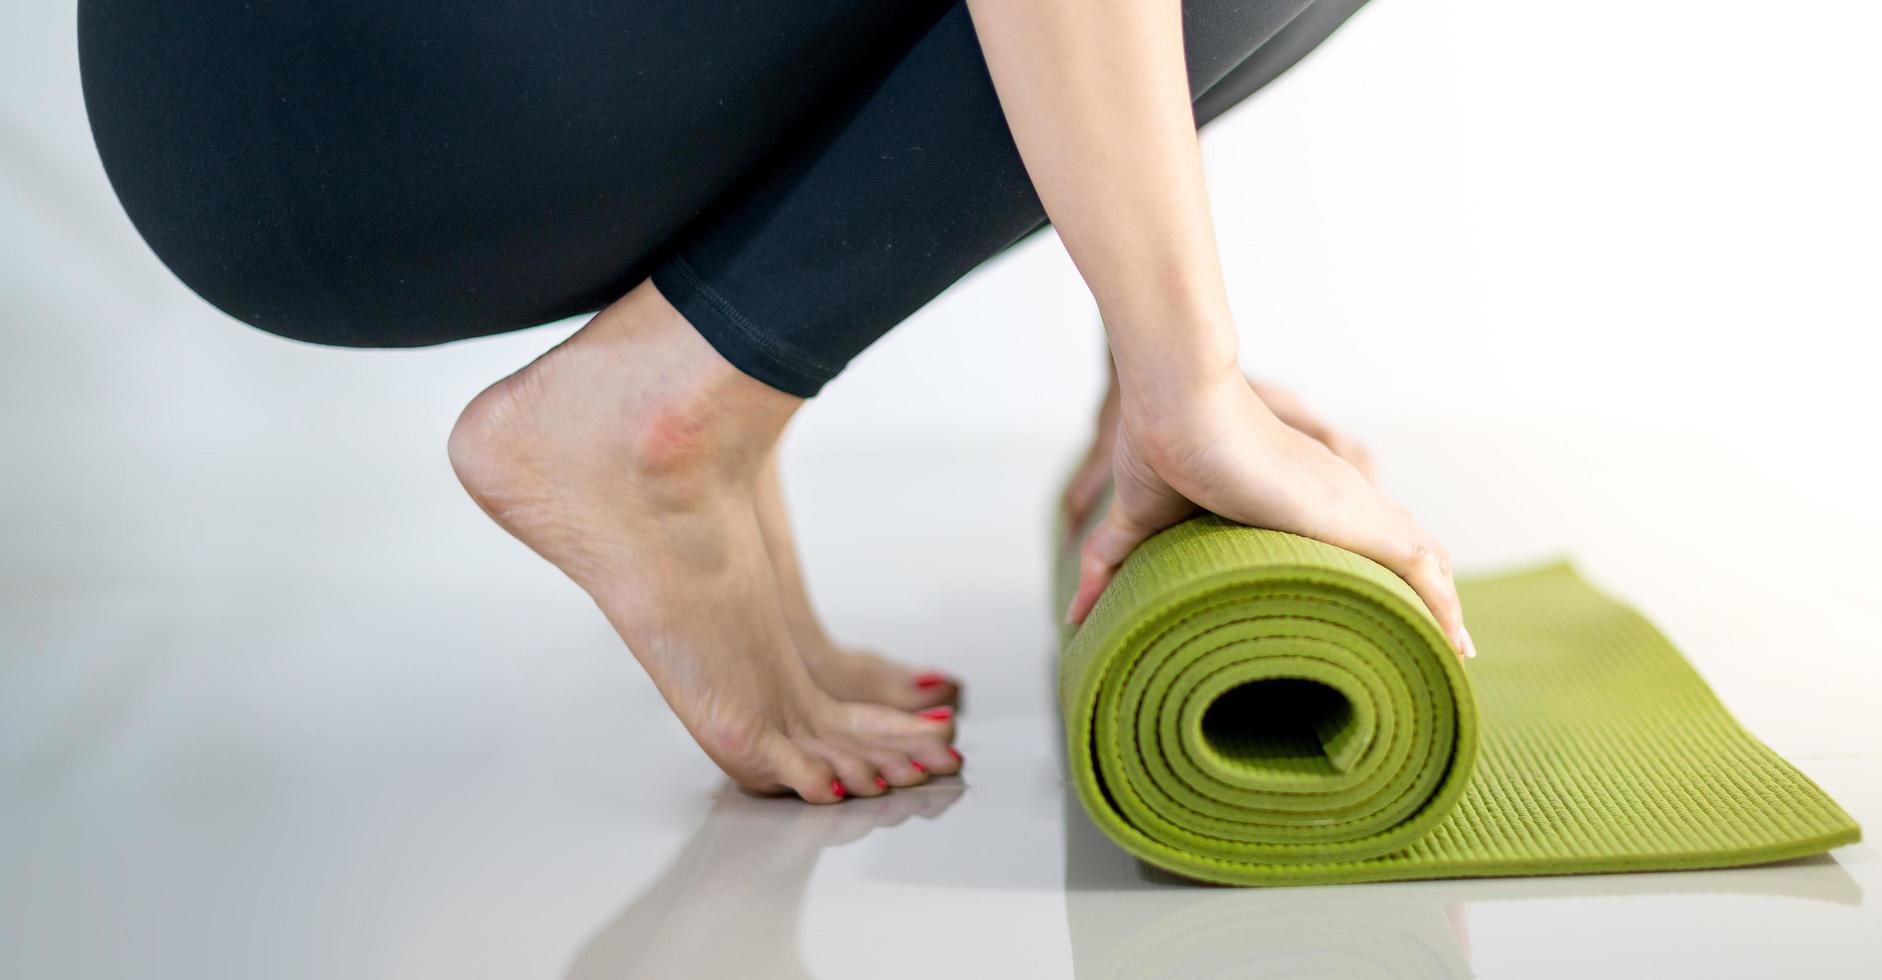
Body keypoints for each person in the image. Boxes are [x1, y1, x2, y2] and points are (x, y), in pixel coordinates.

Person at [77, 0, 1470, 804]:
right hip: (360, 81)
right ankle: (658, 416)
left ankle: (706, 398)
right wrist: (1191, 389)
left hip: (280, 92)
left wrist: (1142, 363)